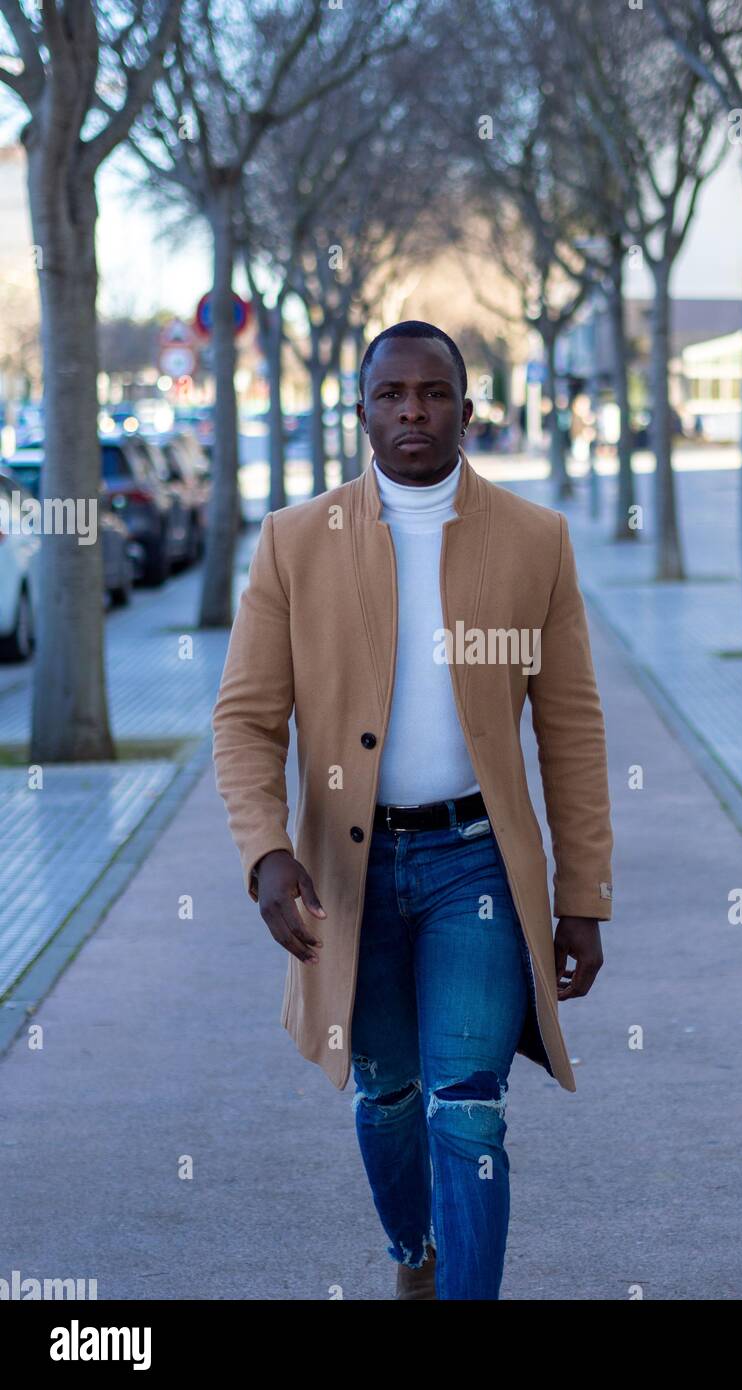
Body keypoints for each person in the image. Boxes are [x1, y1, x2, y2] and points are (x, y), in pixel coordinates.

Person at [211, 320, 613, 1301]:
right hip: (350, 878)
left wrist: (583, 894)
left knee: (466, 1106)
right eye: (392, 394)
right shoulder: (295, 544)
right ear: (362, 412)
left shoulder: (535, 540)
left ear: (466, 410)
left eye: (434, 393)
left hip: (477, 865)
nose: (413, 412)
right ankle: (411, 1252)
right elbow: (246, 720)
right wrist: (266, 854)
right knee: (387, 1093)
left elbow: (572, 730)